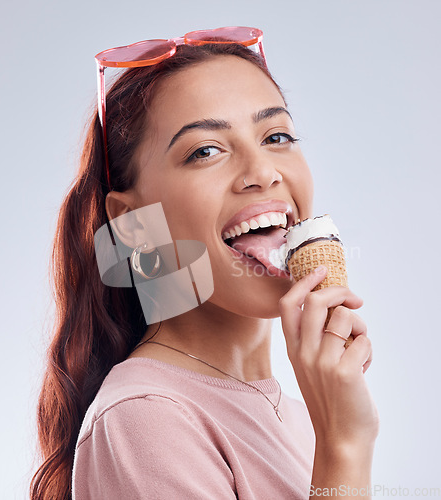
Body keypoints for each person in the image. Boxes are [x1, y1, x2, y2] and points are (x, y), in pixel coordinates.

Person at [30, 27, 379, 499]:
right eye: (205, 151)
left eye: (276, 135)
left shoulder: (304, 415)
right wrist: (345, 448)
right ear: (133, 222)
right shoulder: (145, 416)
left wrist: (336, 434)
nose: (263, 172)